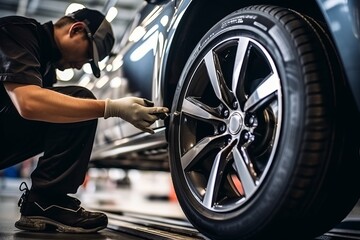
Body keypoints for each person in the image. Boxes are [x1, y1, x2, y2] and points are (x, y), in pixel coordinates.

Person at [0, 8, 168, 233]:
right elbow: (28, 103)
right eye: (88, 56)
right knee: (80, 101)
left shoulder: (46, 67)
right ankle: (48, 201)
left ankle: (44, 203)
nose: (80, 66)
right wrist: (111, 108)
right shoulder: (17, 32)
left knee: (72, 107)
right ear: (76, 30)